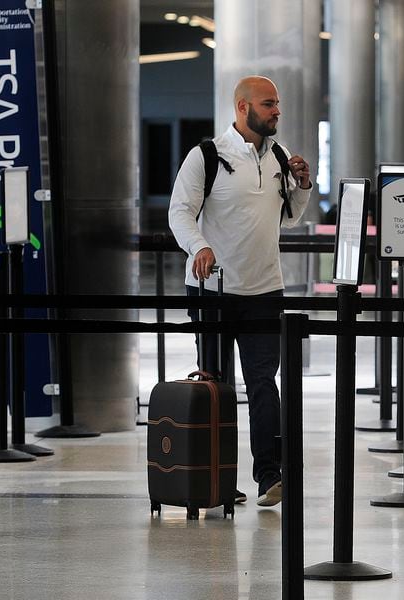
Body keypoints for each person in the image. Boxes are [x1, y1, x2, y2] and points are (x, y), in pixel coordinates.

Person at [168, 76, 313, 506]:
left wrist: (302, 187)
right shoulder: (207, 156)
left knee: (264, 384)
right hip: (213, 290)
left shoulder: (281, 157)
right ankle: (218, 480)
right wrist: (201, 246)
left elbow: (289, 219)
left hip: (266, 288)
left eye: (278, 104)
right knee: (218, 385)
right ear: (242, 108)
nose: (277, 112)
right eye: (269, 104)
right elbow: (180, 213)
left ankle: (270, 477)